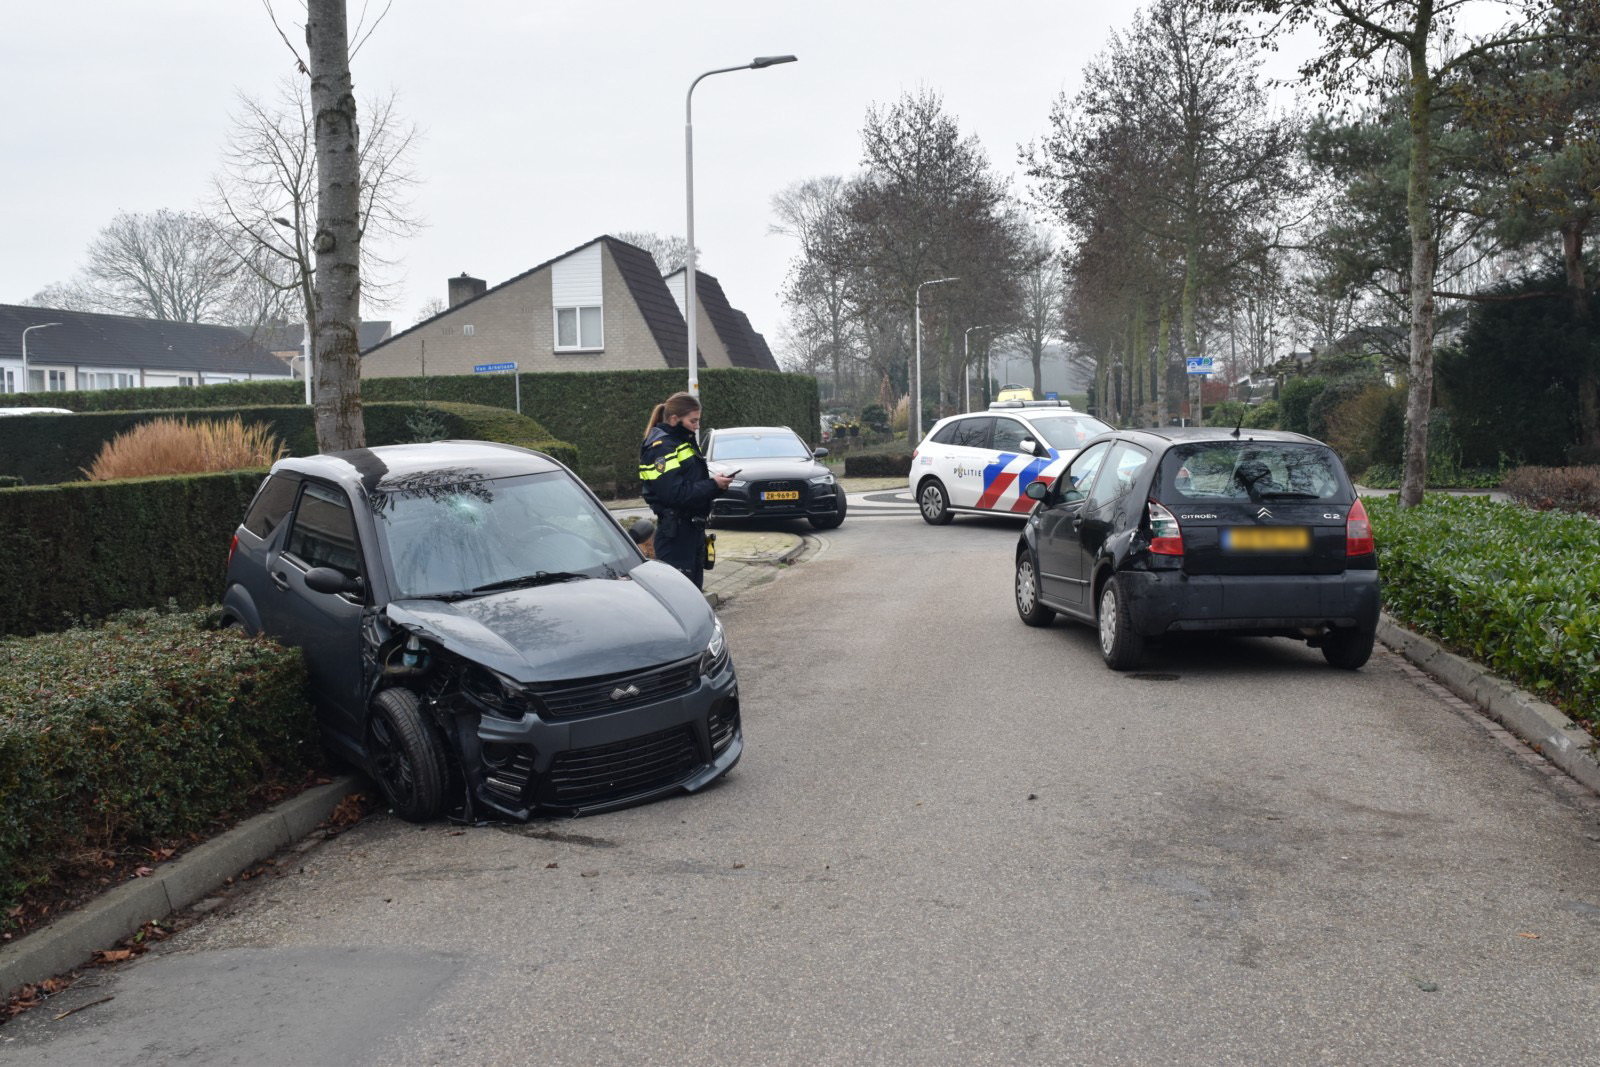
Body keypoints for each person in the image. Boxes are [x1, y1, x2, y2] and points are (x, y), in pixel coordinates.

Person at [638, 392, 732, 589]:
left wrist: (717, 486)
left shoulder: (682, 442)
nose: (697, 426)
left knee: (694, 593)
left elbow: (692, 485)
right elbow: (674, 494)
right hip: (676, 537)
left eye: (698, 420)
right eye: (693, 421)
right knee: (679, 595)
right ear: (674, 419)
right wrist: (712, 485)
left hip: (692, 532)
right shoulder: (661, 449)